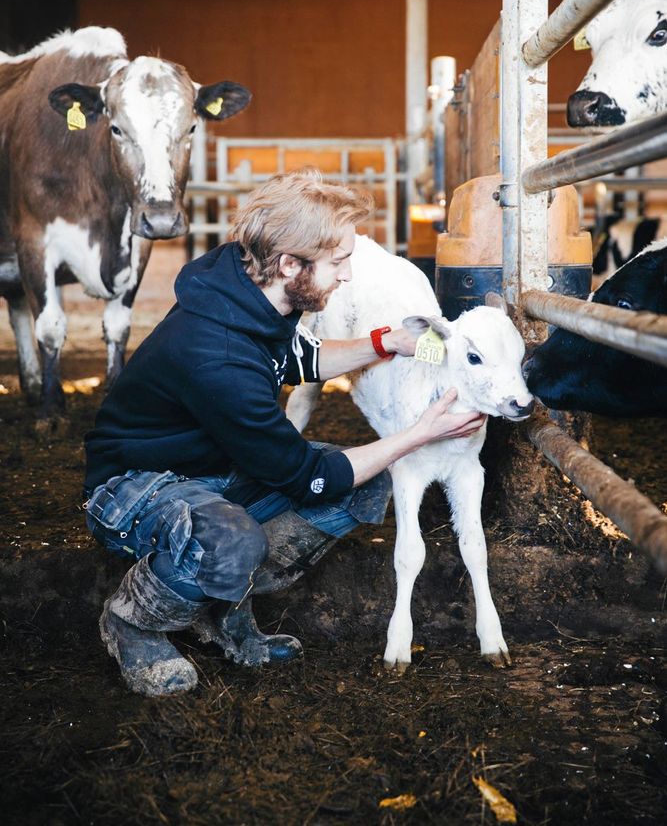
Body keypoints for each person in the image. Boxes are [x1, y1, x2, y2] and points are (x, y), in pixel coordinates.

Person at [84, 169, 486, 696]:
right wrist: (419, 434)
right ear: (291, 265)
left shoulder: (250, 291)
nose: (346, 277)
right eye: (339, 263)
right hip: (136, 486)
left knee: (366, 483)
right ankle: (132, 622)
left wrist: (387, 342)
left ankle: (220, 604)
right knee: (236, 537)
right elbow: (307, 478)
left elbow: (298, 358)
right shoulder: (218, 357)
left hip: (211, 468)